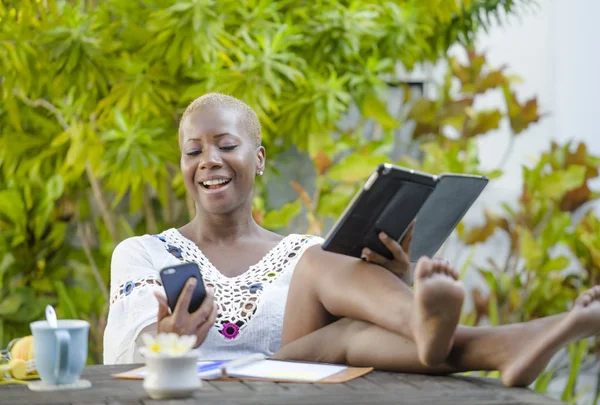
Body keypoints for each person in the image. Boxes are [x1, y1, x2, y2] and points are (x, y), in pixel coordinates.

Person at [104, 92, 600, 387]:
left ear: (257, 158)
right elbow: (125, 352)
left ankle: (429, 325)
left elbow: (353, 341)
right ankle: (500, 344)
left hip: (290, 384)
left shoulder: (301, 256)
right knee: (341, 321)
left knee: (326, 275)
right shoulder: (146, 252)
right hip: (206, 389)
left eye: (226, 145)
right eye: (194, 151)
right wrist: (166, 341)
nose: (208, 159)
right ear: (185, 165)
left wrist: (392, 278)